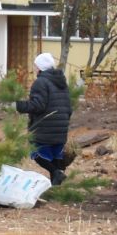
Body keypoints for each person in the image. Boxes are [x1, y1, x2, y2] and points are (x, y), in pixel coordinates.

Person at [15, 52, 74, 186]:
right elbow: (69, 106)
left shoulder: (40, 82)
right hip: (61, 125)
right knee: (54, 156)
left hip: (45, 126)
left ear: (40, 67)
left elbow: (38, 105)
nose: (34, 69)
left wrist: (17, 105)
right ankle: (56, 183)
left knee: (36, 153)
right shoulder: (61, 81)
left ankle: (57, 173)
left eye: (35, 66)